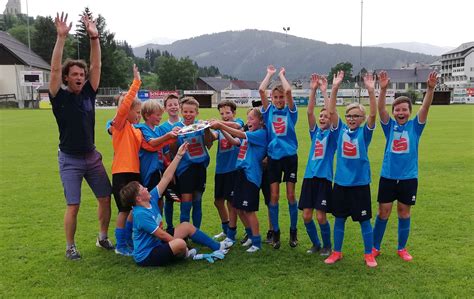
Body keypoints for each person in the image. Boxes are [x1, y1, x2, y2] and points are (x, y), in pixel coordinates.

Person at [49, 12, 113, 260]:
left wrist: (94, 38)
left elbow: (96, 65)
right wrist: (61, 38)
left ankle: (103, 237)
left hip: (92, 157)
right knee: (73, 205)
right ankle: (70, 246)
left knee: (105, 198)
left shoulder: (88, 93)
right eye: (74, 75)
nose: (79, 78)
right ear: (66, 78)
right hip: (70, 159)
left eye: (81, 75)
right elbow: (54, 68)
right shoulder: (59, 97)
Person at [119, 143, 232, 267]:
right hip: (147, 255)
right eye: (143, 189)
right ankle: (186, 254)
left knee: (186, 226)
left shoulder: (150, 198)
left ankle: (218, 246)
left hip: (157, 243)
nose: (146, 188)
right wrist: (182, 246)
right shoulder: (141, 214)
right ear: (139, 198)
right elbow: (161, 235)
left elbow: (166, 178)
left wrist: (178, 155)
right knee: (180, 244)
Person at [372, 71, 438, 261]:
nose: (400, 113)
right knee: (383, 212)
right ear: (394, 113)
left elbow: (425, 107)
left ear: (409, 112)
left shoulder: (415, 127)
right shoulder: (389, 126)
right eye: (397, 110)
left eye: (404, 110)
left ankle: (402, 248)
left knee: (404, 212)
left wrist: (430, 89)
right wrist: (383, 89)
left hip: (408, 178)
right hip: (388, 176)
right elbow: (381, 109)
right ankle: (375, 247)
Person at [109, 65, 174, 256]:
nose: (138, 115)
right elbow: (123, 107)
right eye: (136, 112)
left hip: (134, 173)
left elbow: (150, 146)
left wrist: (172, 136)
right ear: (126, 111)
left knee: (132, 210)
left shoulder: (137, 131)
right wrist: (136, 82)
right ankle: (121, 245)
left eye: (139, 112)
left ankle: (128, 240)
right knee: (123, 210)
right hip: (121, 171)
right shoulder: (120, 125)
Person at [324, 71, 378, 267]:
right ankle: (337, 252)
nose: (352, 118)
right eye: (349, 115)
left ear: (362, 118)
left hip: (360, 184)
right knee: (339, 219)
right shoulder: (340, 130)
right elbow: (331, 113)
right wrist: (335, 87)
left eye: (356, 116)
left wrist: (371, 90)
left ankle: (368, 254)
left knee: (364, 221)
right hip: (340, 184)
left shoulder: (365, 133)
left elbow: (373, 114)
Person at [210, 107, 268, 253]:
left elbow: (240, 135)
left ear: (261, 121)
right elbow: (236, 141)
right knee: (238, 208)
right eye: (247, 118)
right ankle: (250, 236)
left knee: (248, 211)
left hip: (250, 176)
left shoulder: (261, 134)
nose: (248, 121)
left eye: (252, 118)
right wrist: (222, 130)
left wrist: (221, 125)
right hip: (240, 173)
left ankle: (257, 242)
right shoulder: (250, 133)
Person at [259, 65, 299, 249]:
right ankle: (275, 233)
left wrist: (282, 75)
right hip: (274, 157)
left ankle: (293, 231)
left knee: (291, 195)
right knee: (274, 196)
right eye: (275, 97)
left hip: (290, 157)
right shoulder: (268, 112)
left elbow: (289, 90)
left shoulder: (291, 112)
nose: (278, 100)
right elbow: (261, 90)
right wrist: (269, 74)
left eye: (281, 97)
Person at [299, 74, 335, 256]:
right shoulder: (315, 134)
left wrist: (324, 91)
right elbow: (309, 112)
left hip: (324, 179)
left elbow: (332, 112)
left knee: (321, 216)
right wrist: (313, 90)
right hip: (309, 178)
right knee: (306, 216)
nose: (323, 118)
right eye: (321, 116)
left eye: (326, 116)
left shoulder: (333, 135)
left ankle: (328, 246)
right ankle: (316, 244)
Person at [172, 97, 213, 229]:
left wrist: (206, 129)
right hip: (185, 170)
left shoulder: (201, 127)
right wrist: (174, 137)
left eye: (191, 112)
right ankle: (184, 233)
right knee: (186, 201)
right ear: (181, 112)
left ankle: (196, 232)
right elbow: (172, 151)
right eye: (185, 112)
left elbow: (209, 144)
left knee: (197, 201)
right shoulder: (177, 128)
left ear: (196, 112)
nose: (188, 114)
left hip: (200, 168)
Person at [210, 100, 245, 242]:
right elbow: (213, 137)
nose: (225, 116)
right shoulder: (219, 128)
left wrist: (219, 123)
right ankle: (226, 230)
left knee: (231, 203)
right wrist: (205, 128)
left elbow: (236, 126)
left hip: (233, 169)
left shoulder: (239, 123)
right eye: (222, 113)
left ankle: (232, 233)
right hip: (220, 169)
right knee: (218, 201)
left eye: (227, 113)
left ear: (234, 113)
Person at [159, 94, 182, 234]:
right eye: (170, 105)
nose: (173, 107)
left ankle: (185, 226)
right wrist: (168, 169)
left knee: (187, 198)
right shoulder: (162, 128)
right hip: (168, 168)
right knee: (170, 199)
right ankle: (170, 226)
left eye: (175, 104)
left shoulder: (186, 123)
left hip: (185, 168)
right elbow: (161, 150)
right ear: (165, 108)